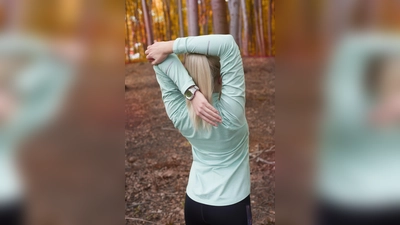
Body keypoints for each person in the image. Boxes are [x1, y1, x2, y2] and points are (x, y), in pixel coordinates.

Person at [145, 35, 252, 225]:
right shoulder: (232, 112)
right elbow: (227, 43)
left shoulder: (180, 113)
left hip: (194, 204)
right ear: (222, 77)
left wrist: (190, 91)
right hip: (231, 208)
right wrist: (170, 47)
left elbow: (159, 60)